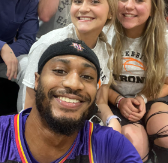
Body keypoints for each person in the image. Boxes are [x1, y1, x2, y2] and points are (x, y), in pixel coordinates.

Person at [0, 38, 142, 162]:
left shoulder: (113, 146)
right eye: (59, 71)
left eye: (87, 77)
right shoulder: (3, 134)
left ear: (96, 91)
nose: (74, 84)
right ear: (36, 81)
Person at [105, 0, 168, 163]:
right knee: (133, 139)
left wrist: (142, 98)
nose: (129, 5)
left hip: (152, 94)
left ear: (153, 8)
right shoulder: (104, 33)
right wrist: (119, 100)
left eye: (139, 0)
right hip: (110, 97)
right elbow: (95, 82)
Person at [23, 0, 117, 114]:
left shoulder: (106, 51)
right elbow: (29, 107)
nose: (84, 8)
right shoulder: (48, 43)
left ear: (110, 12)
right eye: (78, 1)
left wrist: (111, 121)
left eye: (95, 1)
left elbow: (101, 102)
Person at [0, 0, 42, 112]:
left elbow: (27, 40)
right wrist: (2, 47)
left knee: (28, 65)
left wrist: (7, 51)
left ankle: (24, 125)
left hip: (6, 60)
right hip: (5, 52)